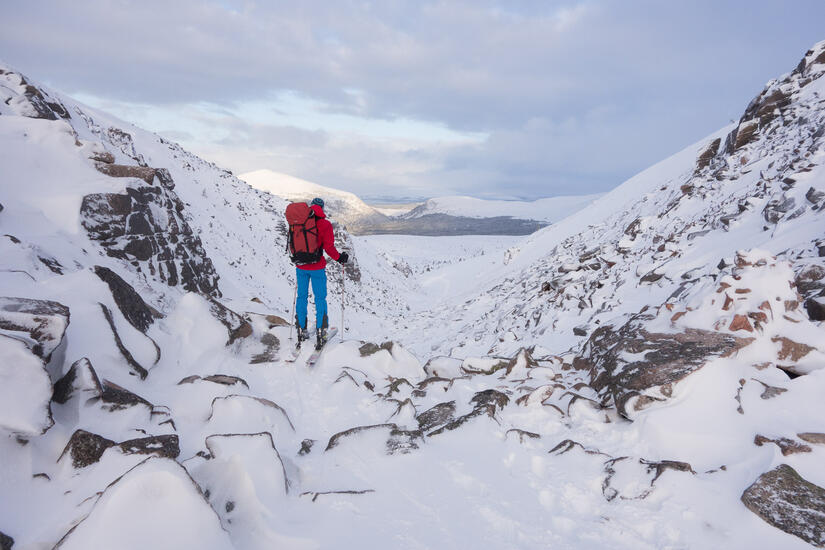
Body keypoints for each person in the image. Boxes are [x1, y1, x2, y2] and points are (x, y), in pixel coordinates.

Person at [295, 197, 349, 349]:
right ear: (322, 209)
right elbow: (329, 248)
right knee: (320, 298)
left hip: (301, 266)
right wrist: (340, 258)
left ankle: (300, 330)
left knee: (302, 297)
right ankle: (321, 332)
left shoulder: (299, 222)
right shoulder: (325, 224)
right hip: (317, 267)